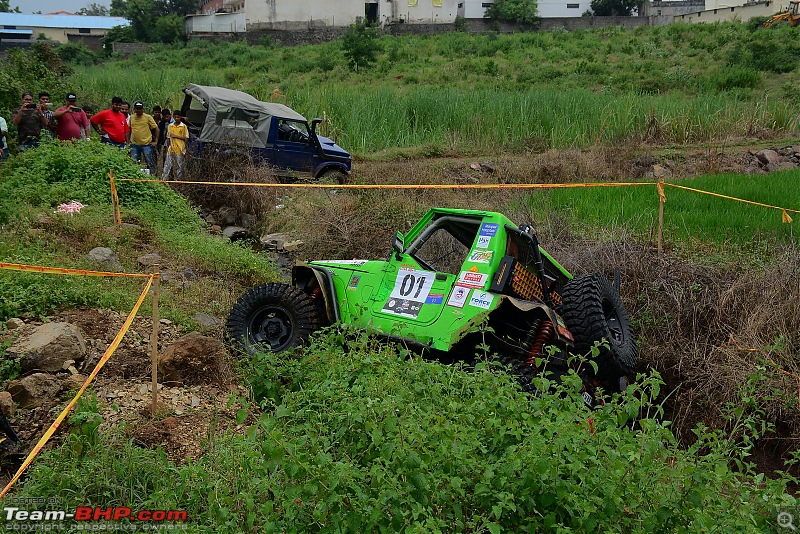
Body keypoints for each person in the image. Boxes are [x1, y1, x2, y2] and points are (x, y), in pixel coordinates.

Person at [129, 101, 159, 174]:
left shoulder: (148, 117)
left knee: (150, 162)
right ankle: (135, 178)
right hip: (134, 144)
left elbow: (156, 128)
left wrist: (156, 141)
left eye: (140, 109)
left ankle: (153, 178)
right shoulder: (132, 117)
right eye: (137, 109)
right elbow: (129, 129)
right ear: (134, 109)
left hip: (147, 144)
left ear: (143, 109)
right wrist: (127, 141)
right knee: (134, 163)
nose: (139, 110)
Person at [162, 110, 189, 181]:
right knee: (167, 165)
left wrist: (175, 136)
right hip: (171, 148)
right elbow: (168, 138)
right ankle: (163, 179)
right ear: (173, 117)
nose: (176, 118)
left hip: (180, 149)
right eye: (175, 117)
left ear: (180, 117)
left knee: (179, 166)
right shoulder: (170, 126)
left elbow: (186, 138)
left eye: (178, 117)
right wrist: (168, 148)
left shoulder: (183, 126)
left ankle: (178, 181)